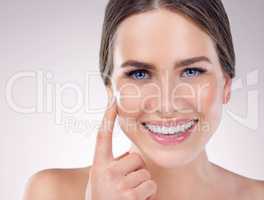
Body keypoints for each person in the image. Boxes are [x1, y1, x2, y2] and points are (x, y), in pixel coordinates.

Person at [23, 0, 264, 199]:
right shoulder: (51, 192)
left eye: (192, 71)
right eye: (139, 74)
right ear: (110, 89)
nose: (166, 105)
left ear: (227, 85)